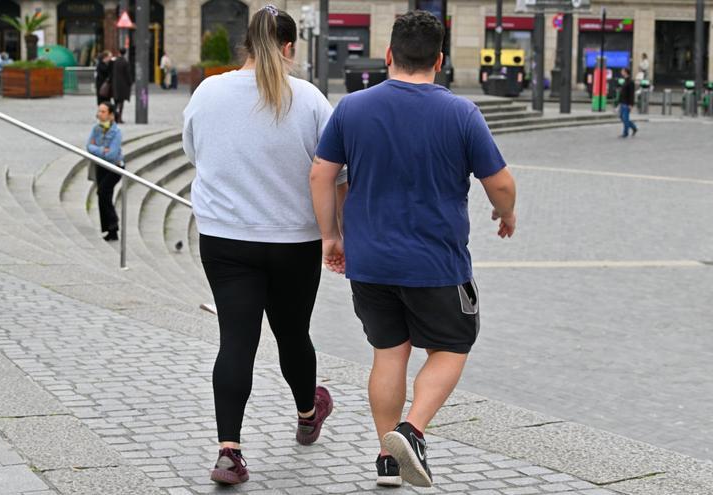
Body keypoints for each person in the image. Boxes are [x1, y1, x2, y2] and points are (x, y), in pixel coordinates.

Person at [310, 10, 516, 488]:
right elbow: (501, 184)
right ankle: (412, 430)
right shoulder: (461, 113)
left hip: (370, 261)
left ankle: (388, 459)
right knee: (452, 346)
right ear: (439, 60)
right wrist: (505, 213)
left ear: (388, 55)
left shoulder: (353, 108)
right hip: (436, 263)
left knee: (388, 355)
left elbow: (321, 173)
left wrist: (330, 235)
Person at [182, 4, 338, 486]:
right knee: (293, 334)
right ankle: (308, 413)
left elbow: (194, 151)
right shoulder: (310, 99)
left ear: (245, 45)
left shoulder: (209, 91)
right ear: (289, 47)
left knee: (236, 340)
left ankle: (229, 452)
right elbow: (333, 170)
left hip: (225, 238)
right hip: (293, 239)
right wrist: (336, 233)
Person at [87, 102, 123, 242]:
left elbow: (112, 155)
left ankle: (113, 224)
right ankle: (110, 230)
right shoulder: (96, 129)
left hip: (114, 168)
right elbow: (88, 146)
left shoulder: (116, 132)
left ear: (111, 115)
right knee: (103, 195)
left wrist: (97, 149)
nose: (100, 114)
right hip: (101, 166)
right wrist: (103, 150)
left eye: (103, 111)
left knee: (102, 193)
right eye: (99, 111)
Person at [111, 48, 132, 123]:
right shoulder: (125, 62)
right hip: (123, 85)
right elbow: (127, 74)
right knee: (121, 103)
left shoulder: (115, 61)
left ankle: (114, 117)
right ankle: (119, 118)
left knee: (116, 102)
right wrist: (130, 82)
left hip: (115, 84)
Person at [618, 67, 638, 138]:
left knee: (625, 118)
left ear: (626, 72)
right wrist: (619, 102)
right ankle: (634, 127)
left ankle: (625, 133)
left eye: (622, 71)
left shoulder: (630, 82)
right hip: (622, 102)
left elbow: (631, 94)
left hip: (627, 103)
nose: (621, 72)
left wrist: (631, 104)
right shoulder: (625, 80)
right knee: (622, 117)